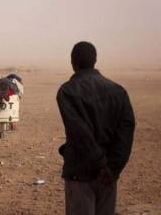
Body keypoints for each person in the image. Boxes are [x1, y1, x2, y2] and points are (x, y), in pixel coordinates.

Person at [56, 41, 135, 215]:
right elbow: (126, 134)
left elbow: (79, 134)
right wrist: (112, 168)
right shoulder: (118, 91)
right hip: (108, 177)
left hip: (80, 174)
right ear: (95, 60)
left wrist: (102, 166)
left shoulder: (68, 91)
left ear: (72, 62)